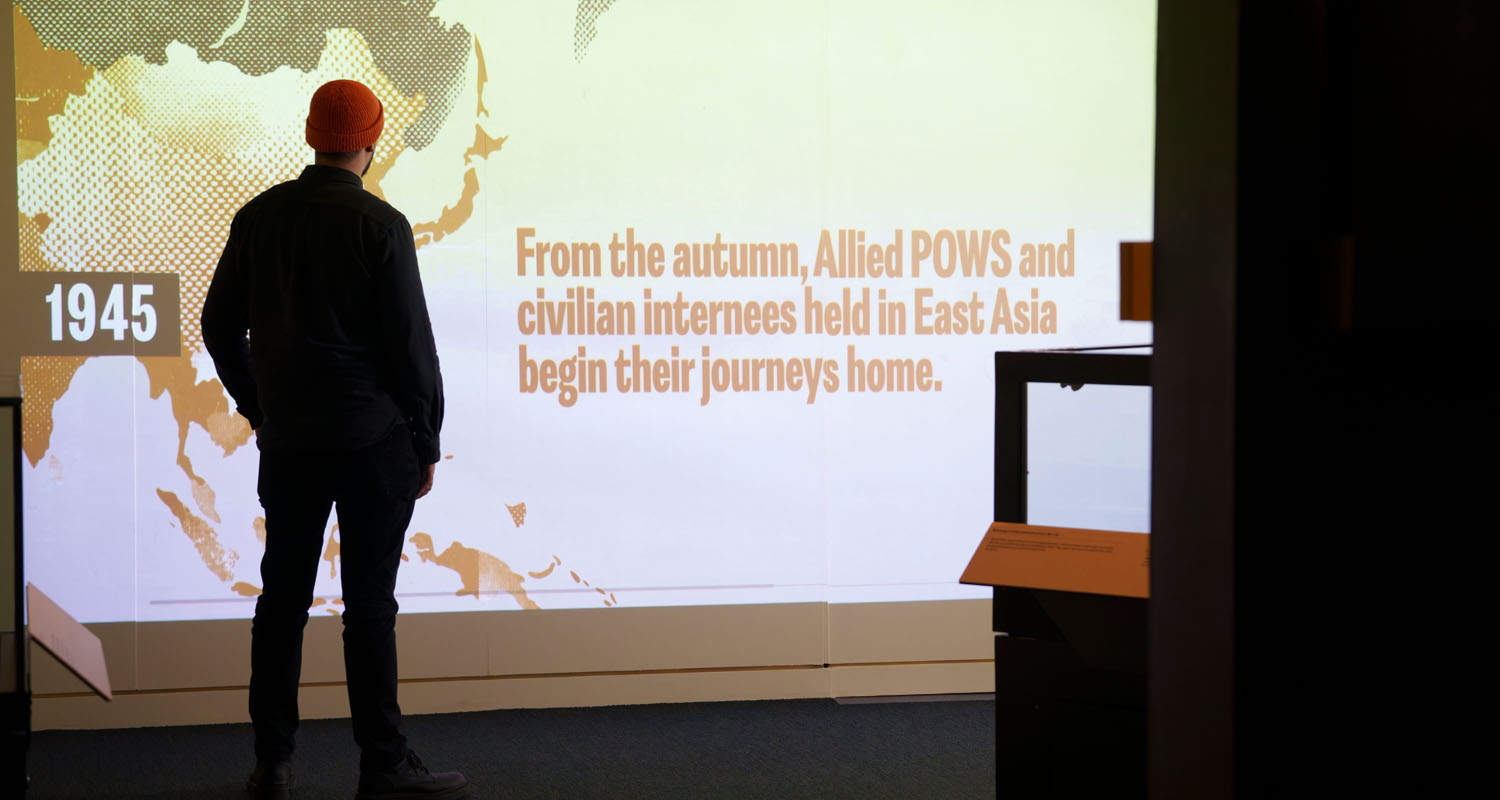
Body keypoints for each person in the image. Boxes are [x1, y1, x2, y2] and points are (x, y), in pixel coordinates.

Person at [202, 78, 467, 799]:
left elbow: (219, 327)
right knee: (369, 605)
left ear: (313, 135)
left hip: (290, 443)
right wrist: (427, 441)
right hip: (372, 442)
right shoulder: (381, 225)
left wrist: (261, 404)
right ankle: (383, 763)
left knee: (281, 600)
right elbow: (413, 348)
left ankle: (271, 763)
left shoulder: (257, 218)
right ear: (372, 143)